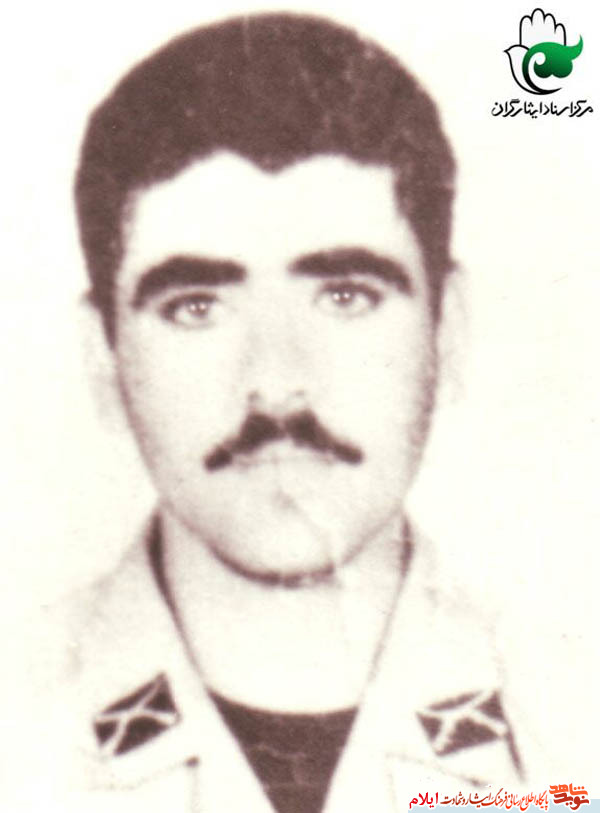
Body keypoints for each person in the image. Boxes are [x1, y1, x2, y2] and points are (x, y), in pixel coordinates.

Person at [14, 12, 531, 813]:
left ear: (447, 332)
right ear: (104, 360)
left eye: (346, 295)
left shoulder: (574, 716)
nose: (277, 383)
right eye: (196, 306)